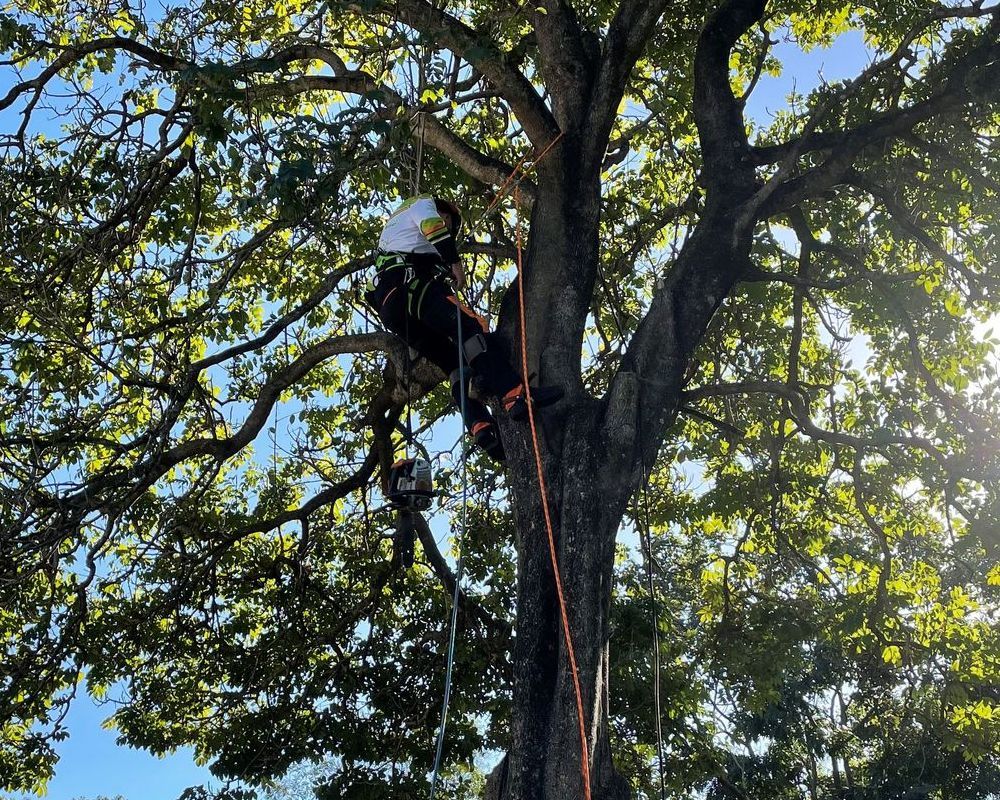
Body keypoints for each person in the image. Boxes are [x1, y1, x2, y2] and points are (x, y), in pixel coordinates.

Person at [365, 193, 562, 463]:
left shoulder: (394, 237)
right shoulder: (423, 204)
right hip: (411, 287)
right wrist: (455, 265)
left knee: (455, 363)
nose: (447, 228)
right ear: (445, 213)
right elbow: (432, 227)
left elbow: (375, 291)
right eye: (448, 223)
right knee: (471, 328)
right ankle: (514, 393)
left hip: (393, 308)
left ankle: (481, 427)